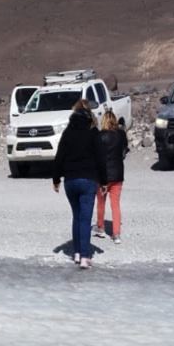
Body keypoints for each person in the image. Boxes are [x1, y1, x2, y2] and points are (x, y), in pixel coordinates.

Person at [52, 100, 106, 269]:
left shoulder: (68, 132)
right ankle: (84, 256)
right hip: (88, 180)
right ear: (89, 114)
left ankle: (76, 253)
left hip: (70, 180)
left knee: (76, 216)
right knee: (85, 218)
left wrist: (56, 179)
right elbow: (100, 158)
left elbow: (59, 156)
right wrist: (104, 181)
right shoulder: (93, 132)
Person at [93, 109, 128, 244]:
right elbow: (125, 150)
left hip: (103, 175)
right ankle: (116, 233)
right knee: (115, 205)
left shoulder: (99, 136)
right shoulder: (120, 134)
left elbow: (96, 156)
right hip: (118, 174)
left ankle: (100, 227)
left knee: (101, 202)